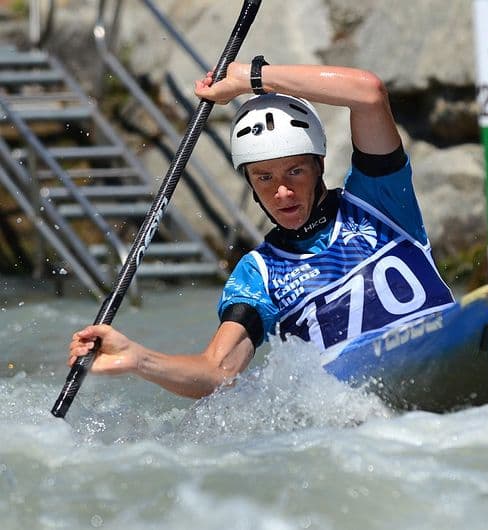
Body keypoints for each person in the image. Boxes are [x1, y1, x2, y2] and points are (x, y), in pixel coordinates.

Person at [67, 59, 455, 398]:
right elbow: (217, 372)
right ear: (250, 184)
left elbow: (368, 93)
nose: (282, 191)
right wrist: (139, 359)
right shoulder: (260, 275)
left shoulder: (377, 199)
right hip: (367, 412)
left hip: (444, 347)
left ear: (319, 165)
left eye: (295, 171)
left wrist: (251, 78)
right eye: (264, 177)